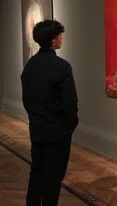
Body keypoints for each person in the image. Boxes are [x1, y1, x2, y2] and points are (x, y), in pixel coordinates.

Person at [21, 19, 79, 206]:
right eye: (59, 35)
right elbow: (69, 103)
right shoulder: (62, 67)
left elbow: (27, 99)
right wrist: (69, 126)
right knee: (53, 180)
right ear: (54, 41)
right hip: (57, 133)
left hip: (37, 129)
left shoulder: (30, 65)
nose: (61, 38)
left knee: (36, 173)